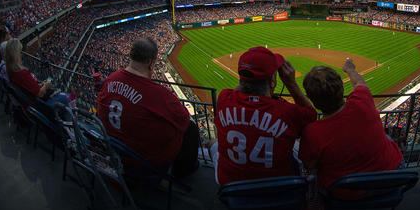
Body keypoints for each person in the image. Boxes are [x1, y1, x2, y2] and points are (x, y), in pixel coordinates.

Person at [96, 37, 199, 178]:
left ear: (130, 55)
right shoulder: (158, 93)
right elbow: (184, 120)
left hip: (112, 154)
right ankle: (184, 172)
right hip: (141, 167)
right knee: (191, 129)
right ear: (151, 63)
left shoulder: (110, 79)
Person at [213, 46, 316, 185]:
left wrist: (247, 81)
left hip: (231, 189)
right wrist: (290, 83)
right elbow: (311, 115)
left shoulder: (224, 98)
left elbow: (238, 91)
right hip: (278, 189)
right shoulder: (286, 112)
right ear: (272, 81)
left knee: (213, 144)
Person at [299, 59, 402, 197]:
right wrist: (350, 70)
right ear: (342, 89)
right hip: (393, 180)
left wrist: (292, 84)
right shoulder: (363, 101)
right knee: (387, 136)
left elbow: (309, 166)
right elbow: (360, 83)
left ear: (314, 101)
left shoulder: (312, 132)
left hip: (347, 195)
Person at [4, 38, 70, 108]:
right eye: (20, 52)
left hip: (26, 104)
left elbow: (29, 87)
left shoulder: (10, 70)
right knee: (64, 97)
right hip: (36, 106)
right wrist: (46, 85)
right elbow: (40, 94)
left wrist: (41, 84)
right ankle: (71, 118)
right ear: (16, 55)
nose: (21, 55)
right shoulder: (22, 73)